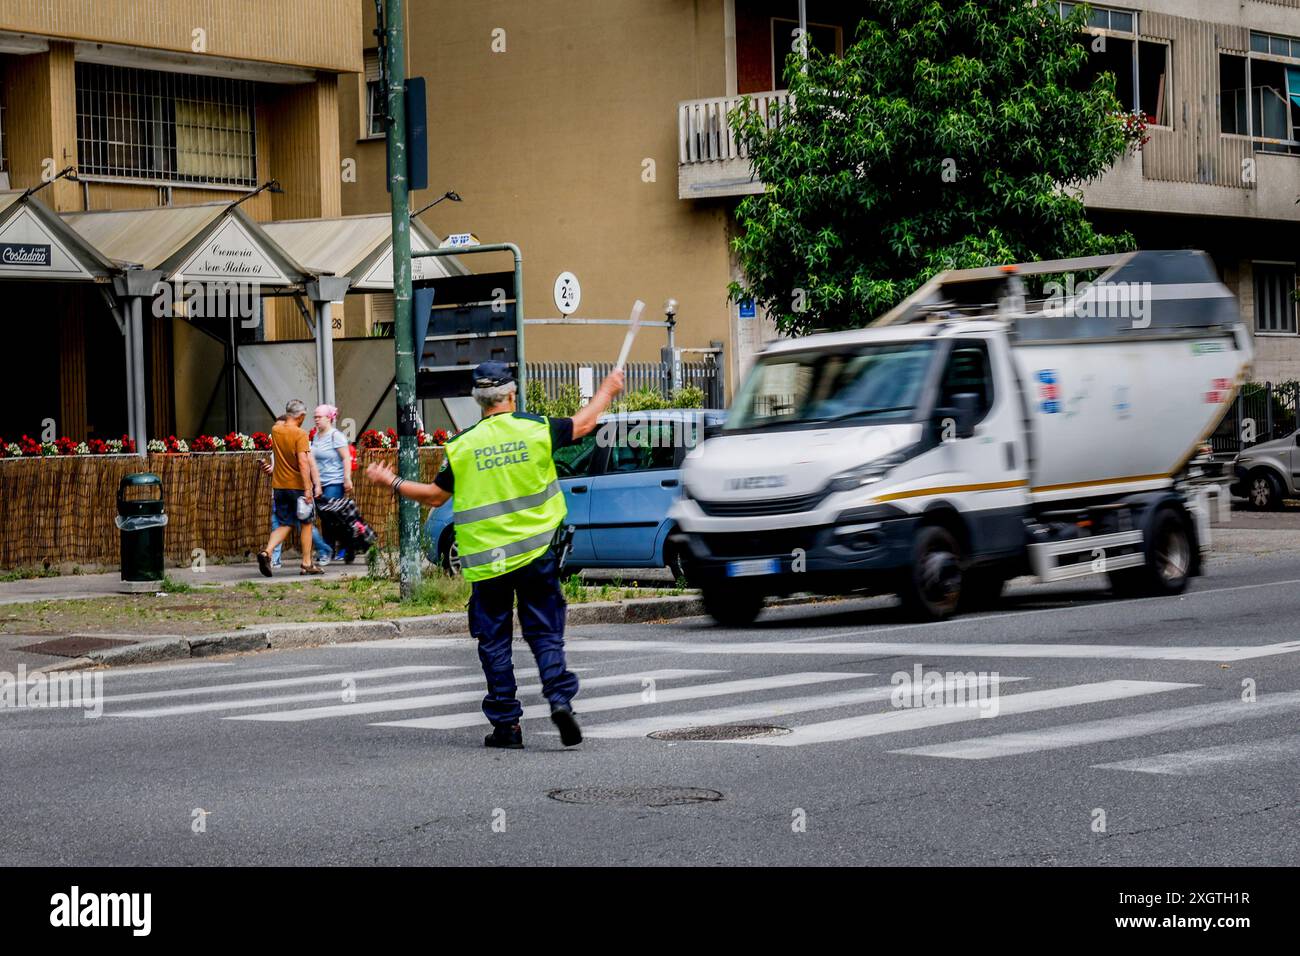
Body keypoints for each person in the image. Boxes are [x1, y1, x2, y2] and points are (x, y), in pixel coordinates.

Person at [366, 361, 625, 749]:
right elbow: (584, 425)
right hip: (536, 553)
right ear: (512, 395)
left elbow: (436, 496)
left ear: (477, 400)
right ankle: (559, 700)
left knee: (494, 642)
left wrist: (394, 481)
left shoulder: (463, 445)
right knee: (545, 634)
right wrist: (607, 389)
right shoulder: (535, 429)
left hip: (487, 561)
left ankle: (507, 725)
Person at [257, 399, 323, 576]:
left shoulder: (276, 430)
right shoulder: (300, 434)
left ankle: (266, 552)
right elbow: (303, 462)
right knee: (307, 522)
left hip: (279, 486)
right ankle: (307, 563)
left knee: (285, 523)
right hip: (297, 487)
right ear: (301, 416)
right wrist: (308, 488)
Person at [310, 404, 354, 560]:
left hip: (334, 482)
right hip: (320, 483)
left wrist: (347, 478)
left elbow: (346, 458)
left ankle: (335, 549)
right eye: (314, 416)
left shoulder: (336, 436)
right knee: (325, 518)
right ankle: (337, 548)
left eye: (319, 417)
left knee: (331, 517)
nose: (316, 420)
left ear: (329, 418)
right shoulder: (316, 436)